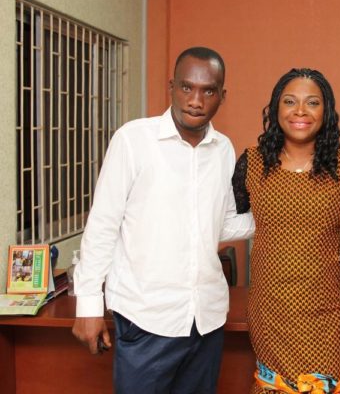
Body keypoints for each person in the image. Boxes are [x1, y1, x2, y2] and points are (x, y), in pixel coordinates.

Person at [71, 47, 255, 394]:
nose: (196, 100)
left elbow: (225, 222)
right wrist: (89, 304)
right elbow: (103, 225)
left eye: (208, 91)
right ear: (171, 86)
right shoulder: (133, 140)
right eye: (187, 87)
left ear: (222, 95)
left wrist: (285, 216)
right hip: (146, 319)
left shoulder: (224, 149)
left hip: (206, 320)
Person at [232, 68, 340, 393]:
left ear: (327, 111)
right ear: (276, 108)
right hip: (269, 310)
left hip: (326, 313)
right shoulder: (251, 163)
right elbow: (222, 221)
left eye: (313, 103)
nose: (300, 111)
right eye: (290, 101)